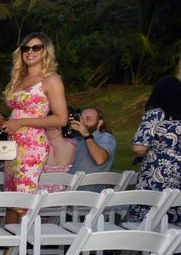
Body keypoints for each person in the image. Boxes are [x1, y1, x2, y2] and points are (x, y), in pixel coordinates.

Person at [0, 32, 68, 224]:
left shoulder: (51, 79)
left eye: (36, 47)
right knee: (10, 200)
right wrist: (5, 122)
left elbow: (61, 119)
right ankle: (10, 252)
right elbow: (18, 113)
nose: (30, 51)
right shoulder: (18, 79)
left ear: (45, 51)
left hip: (32, 147)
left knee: (23, 201)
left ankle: (22, 250)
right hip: (11, 148)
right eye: (26, 48)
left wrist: (20, 123)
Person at [125, 71, 181, 224]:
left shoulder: (156, 114)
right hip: (179, 176)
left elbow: (139, 147)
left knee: (145, 219)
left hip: (158, 176)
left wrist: (153, 150)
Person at [69, 107, 116, 176]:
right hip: (68, 183)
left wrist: (86, 135)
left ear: (100, 123)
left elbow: (100, 159)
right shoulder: (77, 139)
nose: (83, 122)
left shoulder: (105, 137)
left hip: (86, 185)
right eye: (81, 118)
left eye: (88, 119)